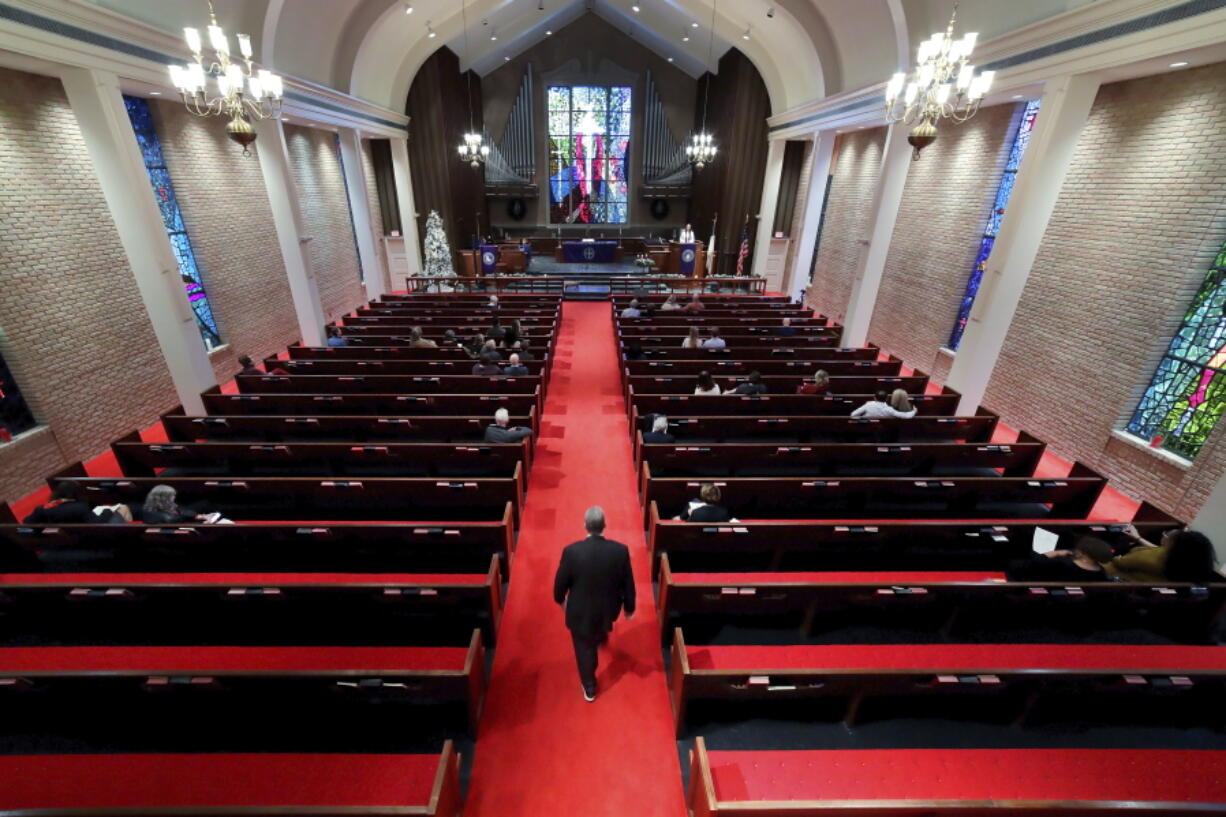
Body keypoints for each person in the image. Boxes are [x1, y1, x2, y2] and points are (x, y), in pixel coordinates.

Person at [553, 506, 635, 701]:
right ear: (604, 526)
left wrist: (560, 601)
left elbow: (559, 586)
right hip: (608, 609)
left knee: (584, 649)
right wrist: (629, 608)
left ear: (585, 526)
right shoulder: (620, 551)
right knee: (597, 629)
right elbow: (628, 583)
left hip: (581, 612)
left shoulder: (571, 552)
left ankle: (589, 686)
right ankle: (598, 636)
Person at [1106, 526, 1219, 583]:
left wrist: (1116, 558)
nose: (1165, 536)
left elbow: (1121, 562)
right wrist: (1138, 538)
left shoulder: (1156, 558)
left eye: (1167, 536)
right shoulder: (1190, 565)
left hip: (1115, 580)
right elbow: (1157, 550)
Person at [1006, 536, 1115, 582]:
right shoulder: (1101, 572)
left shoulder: (1062, 564)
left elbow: (1035, 563)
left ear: (1083, 552)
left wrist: (1057, 553)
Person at [23, 480, 129, 524]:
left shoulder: (42, 509)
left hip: (61, 543)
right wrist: (108, 511)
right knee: (122, 509)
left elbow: (26, 522)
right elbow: (96, 523)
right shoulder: (79, 508)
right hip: (87, 540)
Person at [141, 484, 211, 524]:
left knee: (204, 503)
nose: (174, 497)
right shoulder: (149, 510)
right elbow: (172, 520)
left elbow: (183, 511)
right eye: (171, 495)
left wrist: (199, 516)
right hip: (171, 536)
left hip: (182, 527)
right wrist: (200, 520)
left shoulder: (168, 505)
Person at [850, 390, 917, 419]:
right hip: (881, 430)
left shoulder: (868, 404)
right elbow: (906, 416)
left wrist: (863, 420)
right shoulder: (889, 410)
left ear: (875, 398)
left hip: (866, 427)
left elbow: (853, 415)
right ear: (887, 399)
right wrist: (914, 411)